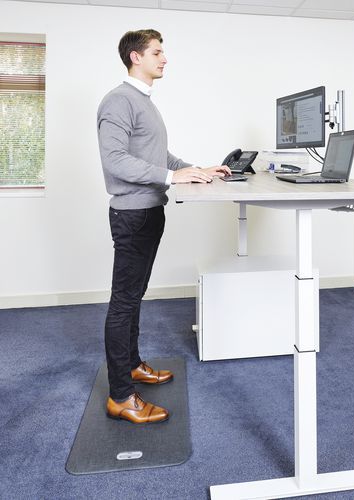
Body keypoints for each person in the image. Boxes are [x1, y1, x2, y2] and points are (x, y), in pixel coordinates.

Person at [97, 29, 230, 424]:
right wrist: (173, 177)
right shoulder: (119, 100)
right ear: (135, 57)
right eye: (157, 52)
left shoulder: (143, 102)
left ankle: (132, 365)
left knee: (134, 296)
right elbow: (115, 160)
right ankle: (121, 396)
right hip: (132, 214)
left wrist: (196, 169)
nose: (165, 58)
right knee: (124, 302)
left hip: (149, 210)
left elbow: (159, 156)